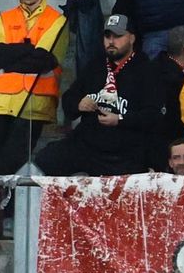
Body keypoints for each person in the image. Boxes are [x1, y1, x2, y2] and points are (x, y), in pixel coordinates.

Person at [35, 14, 166, 177]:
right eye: (107, 36)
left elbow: (153, 116)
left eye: (118, 36)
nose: (111, 41)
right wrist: (79, 104)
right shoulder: (95, 66)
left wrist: (119, 120)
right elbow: (69, 100)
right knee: (45, 160)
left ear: (132, 38)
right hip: (87, 144)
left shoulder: (147, 70)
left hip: (126, 149)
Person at [0, 0, 67, 178]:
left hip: (33, 102)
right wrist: (26, 49)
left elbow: (43, 60)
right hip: (0, 103)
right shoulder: (4, 18)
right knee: (0, 167)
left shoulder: (56, 20)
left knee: (7, 168)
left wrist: (10, 58)